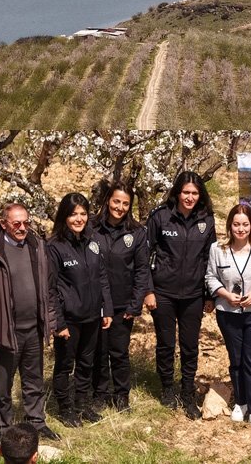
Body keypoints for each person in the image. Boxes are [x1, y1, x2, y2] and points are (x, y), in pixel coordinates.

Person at [145, 170, 216, 419]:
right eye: (186, 192)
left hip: (194, 295)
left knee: (190, 346)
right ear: (177, 192)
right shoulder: (160, 217)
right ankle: (167, 388)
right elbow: (144, 256)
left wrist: (209, 295)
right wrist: (148, 291)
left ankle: (187, 392)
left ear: (200, 195)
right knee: (165, 344)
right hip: (163, 293)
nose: (190, 197)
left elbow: (210, 259)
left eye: (195, 193)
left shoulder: (206, 220)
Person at [0, 201, 59, 441]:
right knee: (2, 383)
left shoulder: (36, 246)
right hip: (7, 329)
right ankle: (3, 427)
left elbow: (47, 287)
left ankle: (36, 422)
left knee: (33, 379)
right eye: (16, 223)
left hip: (33, 329)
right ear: (3, 223)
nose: (22, 227)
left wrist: (49, 321)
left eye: (26, 222)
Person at [205, 203, 251, 430]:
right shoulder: (217, 249)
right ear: (230, 225)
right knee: (236, 360)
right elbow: (210, 277)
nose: (240, 229)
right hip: (228, 312)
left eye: (245, 224)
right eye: (236, 224)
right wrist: (225, 294)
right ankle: (241, 403)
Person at [47, 192, 112, 427]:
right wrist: (59, 323)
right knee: (65, 365)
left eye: (83, 214)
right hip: (70, 319)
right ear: (65, 216)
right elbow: (50, 289)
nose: (79, 218)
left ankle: (82, 404)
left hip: (93, 316)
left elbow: (102, 276)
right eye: (73, 214)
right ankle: (65, 409)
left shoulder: (92, 241)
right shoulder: (54, 247)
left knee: (87, 363)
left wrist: (108, 309)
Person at [90, 182, 151, 412]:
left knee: (119, 351)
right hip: (95, 302)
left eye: (126, 203)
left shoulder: (136, 232)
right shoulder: (92, 227)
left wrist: (135, 304)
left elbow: (142, 270)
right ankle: (100, 393)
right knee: (99, 350)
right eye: (116, 201)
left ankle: (121, 394)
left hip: (122, 303)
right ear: (108, 200)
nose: (120, 207)